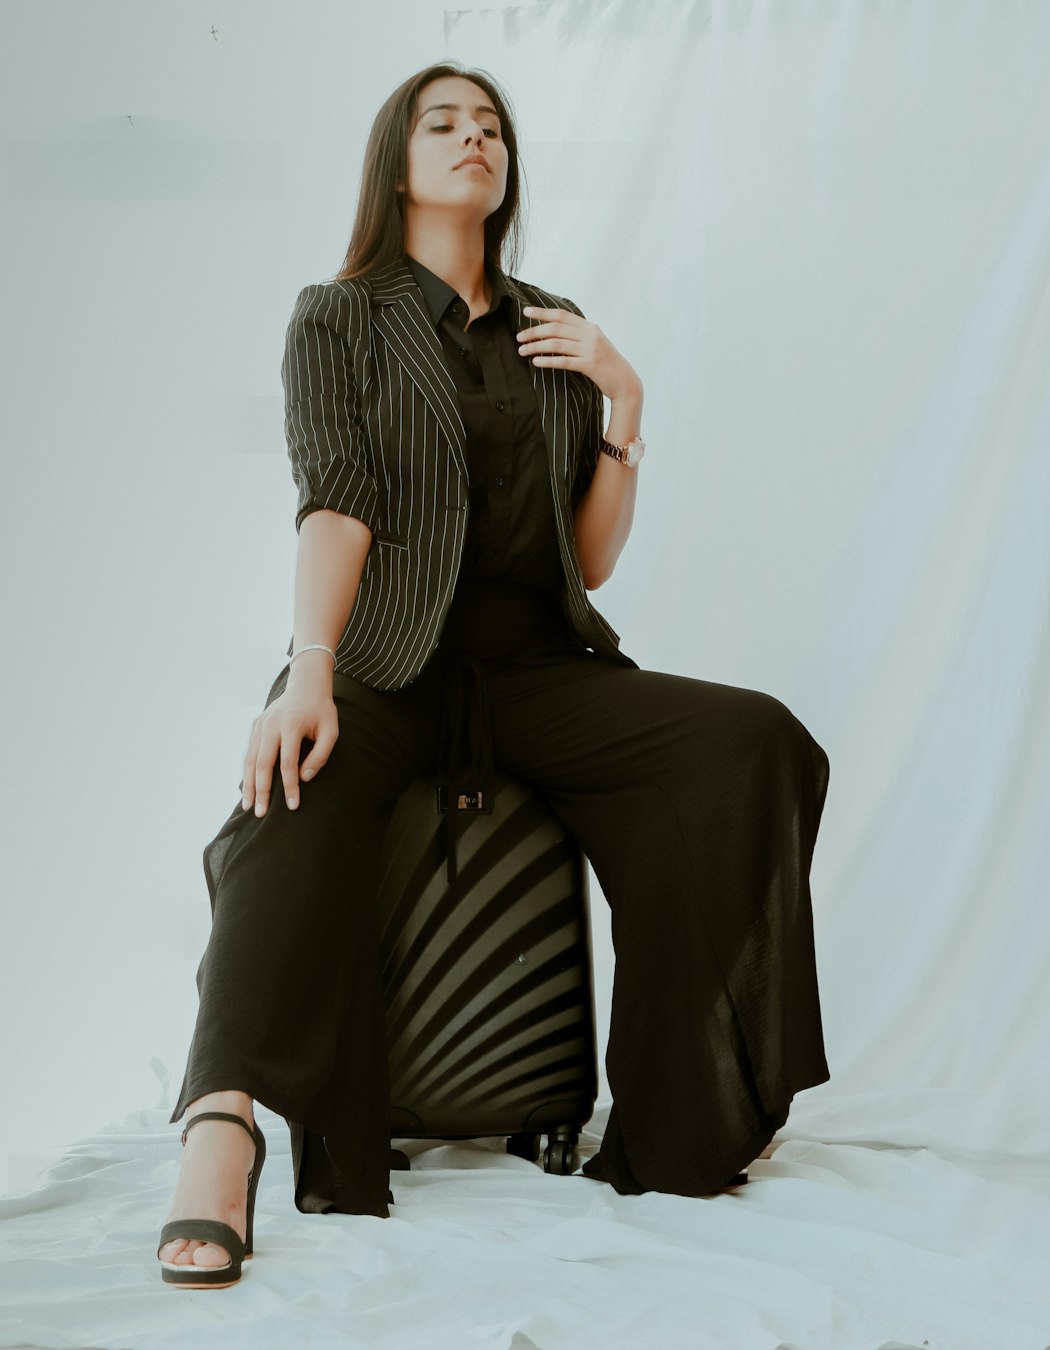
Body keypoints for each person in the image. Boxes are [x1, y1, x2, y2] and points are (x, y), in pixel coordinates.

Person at [157, 60, 831, 1289]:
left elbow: (586, 561)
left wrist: (624, 404)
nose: (474, 139)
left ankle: (683, 1119)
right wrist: (309, 670)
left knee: (753, 740)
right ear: (396, 160)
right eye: (444, 122)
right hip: (383, 656)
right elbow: (339, 505)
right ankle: (220, 1127)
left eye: (491, 127)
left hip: (534, 664)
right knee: (283, 796)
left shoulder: (553, 325)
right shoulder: (339, 315)